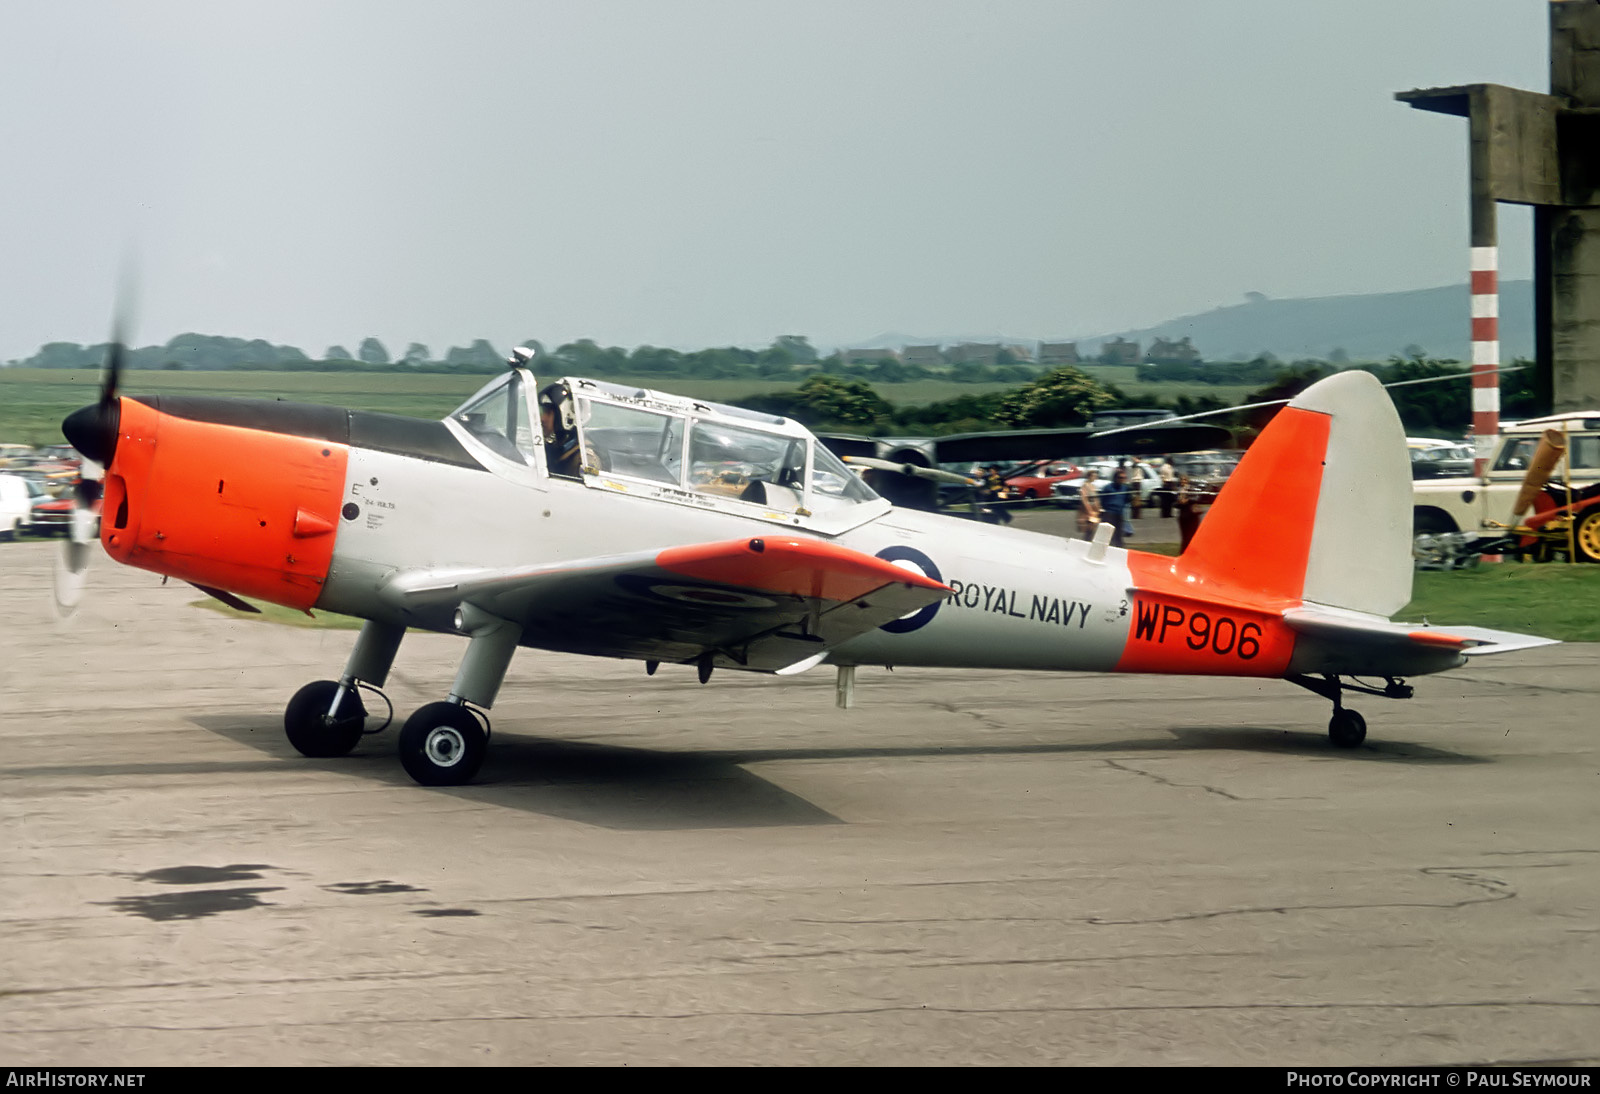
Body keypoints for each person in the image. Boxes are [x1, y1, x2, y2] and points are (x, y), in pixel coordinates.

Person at [1099, 467, 1133, 547]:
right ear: (1115, 478)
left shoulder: (1125, 488)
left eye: (1124, 478)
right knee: (1108, 535)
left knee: (1118, 534)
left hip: (1119, 514)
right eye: (1120, 477)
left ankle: (1119, 548)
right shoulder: (1107, 488)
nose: (1122, 479)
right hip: (1109, 514)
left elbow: (1127, 499)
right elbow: (1102, 500)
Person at [1076, 469, 1101, 540]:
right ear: (1089, 476)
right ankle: (1086, 542)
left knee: (1093, 528)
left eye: (1095, 476)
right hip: (1088, 511)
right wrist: (1089, 511)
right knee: (1088, 528)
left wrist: (1098, 508)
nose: (1095, 478)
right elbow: (1084, 500)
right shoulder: (1085, 486)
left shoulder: (1093, 486)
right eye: (1093, 476)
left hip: (1094, 510)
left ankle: (1089, 541)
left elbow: (1096, 498)